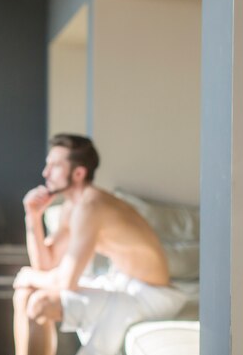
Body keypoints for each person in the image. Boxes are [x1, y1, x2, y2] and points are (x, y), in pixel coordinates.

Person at [12, 134, 186, 355]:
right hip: (121, 284)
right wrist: (33, 218)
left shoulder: (91, 205)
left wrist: (28, 275)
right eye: (48, 165)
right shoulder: (71, 206)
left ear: (78, 173)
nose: (45, 173)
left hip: (150, 295)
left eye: (55, 166)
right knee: (25, 293)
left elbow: (66, 282)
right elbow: (45, 265)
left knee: (40, 302)